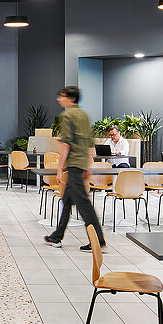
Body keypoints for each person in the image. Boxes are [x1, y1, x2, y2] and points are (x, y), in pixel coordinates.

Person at [44, 86, 107, 253]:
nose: (59, 99)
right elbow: (89, 143)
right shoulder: (84, 115)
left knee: (84, 205)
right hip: (81, 164)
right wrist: (87, 166)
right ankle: (57, 236)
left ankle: (98, 241)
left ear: (71, 99)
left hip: (73, 166)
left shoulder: (67, 115)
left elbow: (66, 144)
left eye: (62, 96)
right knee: (67, 201)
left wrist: (59, 170)